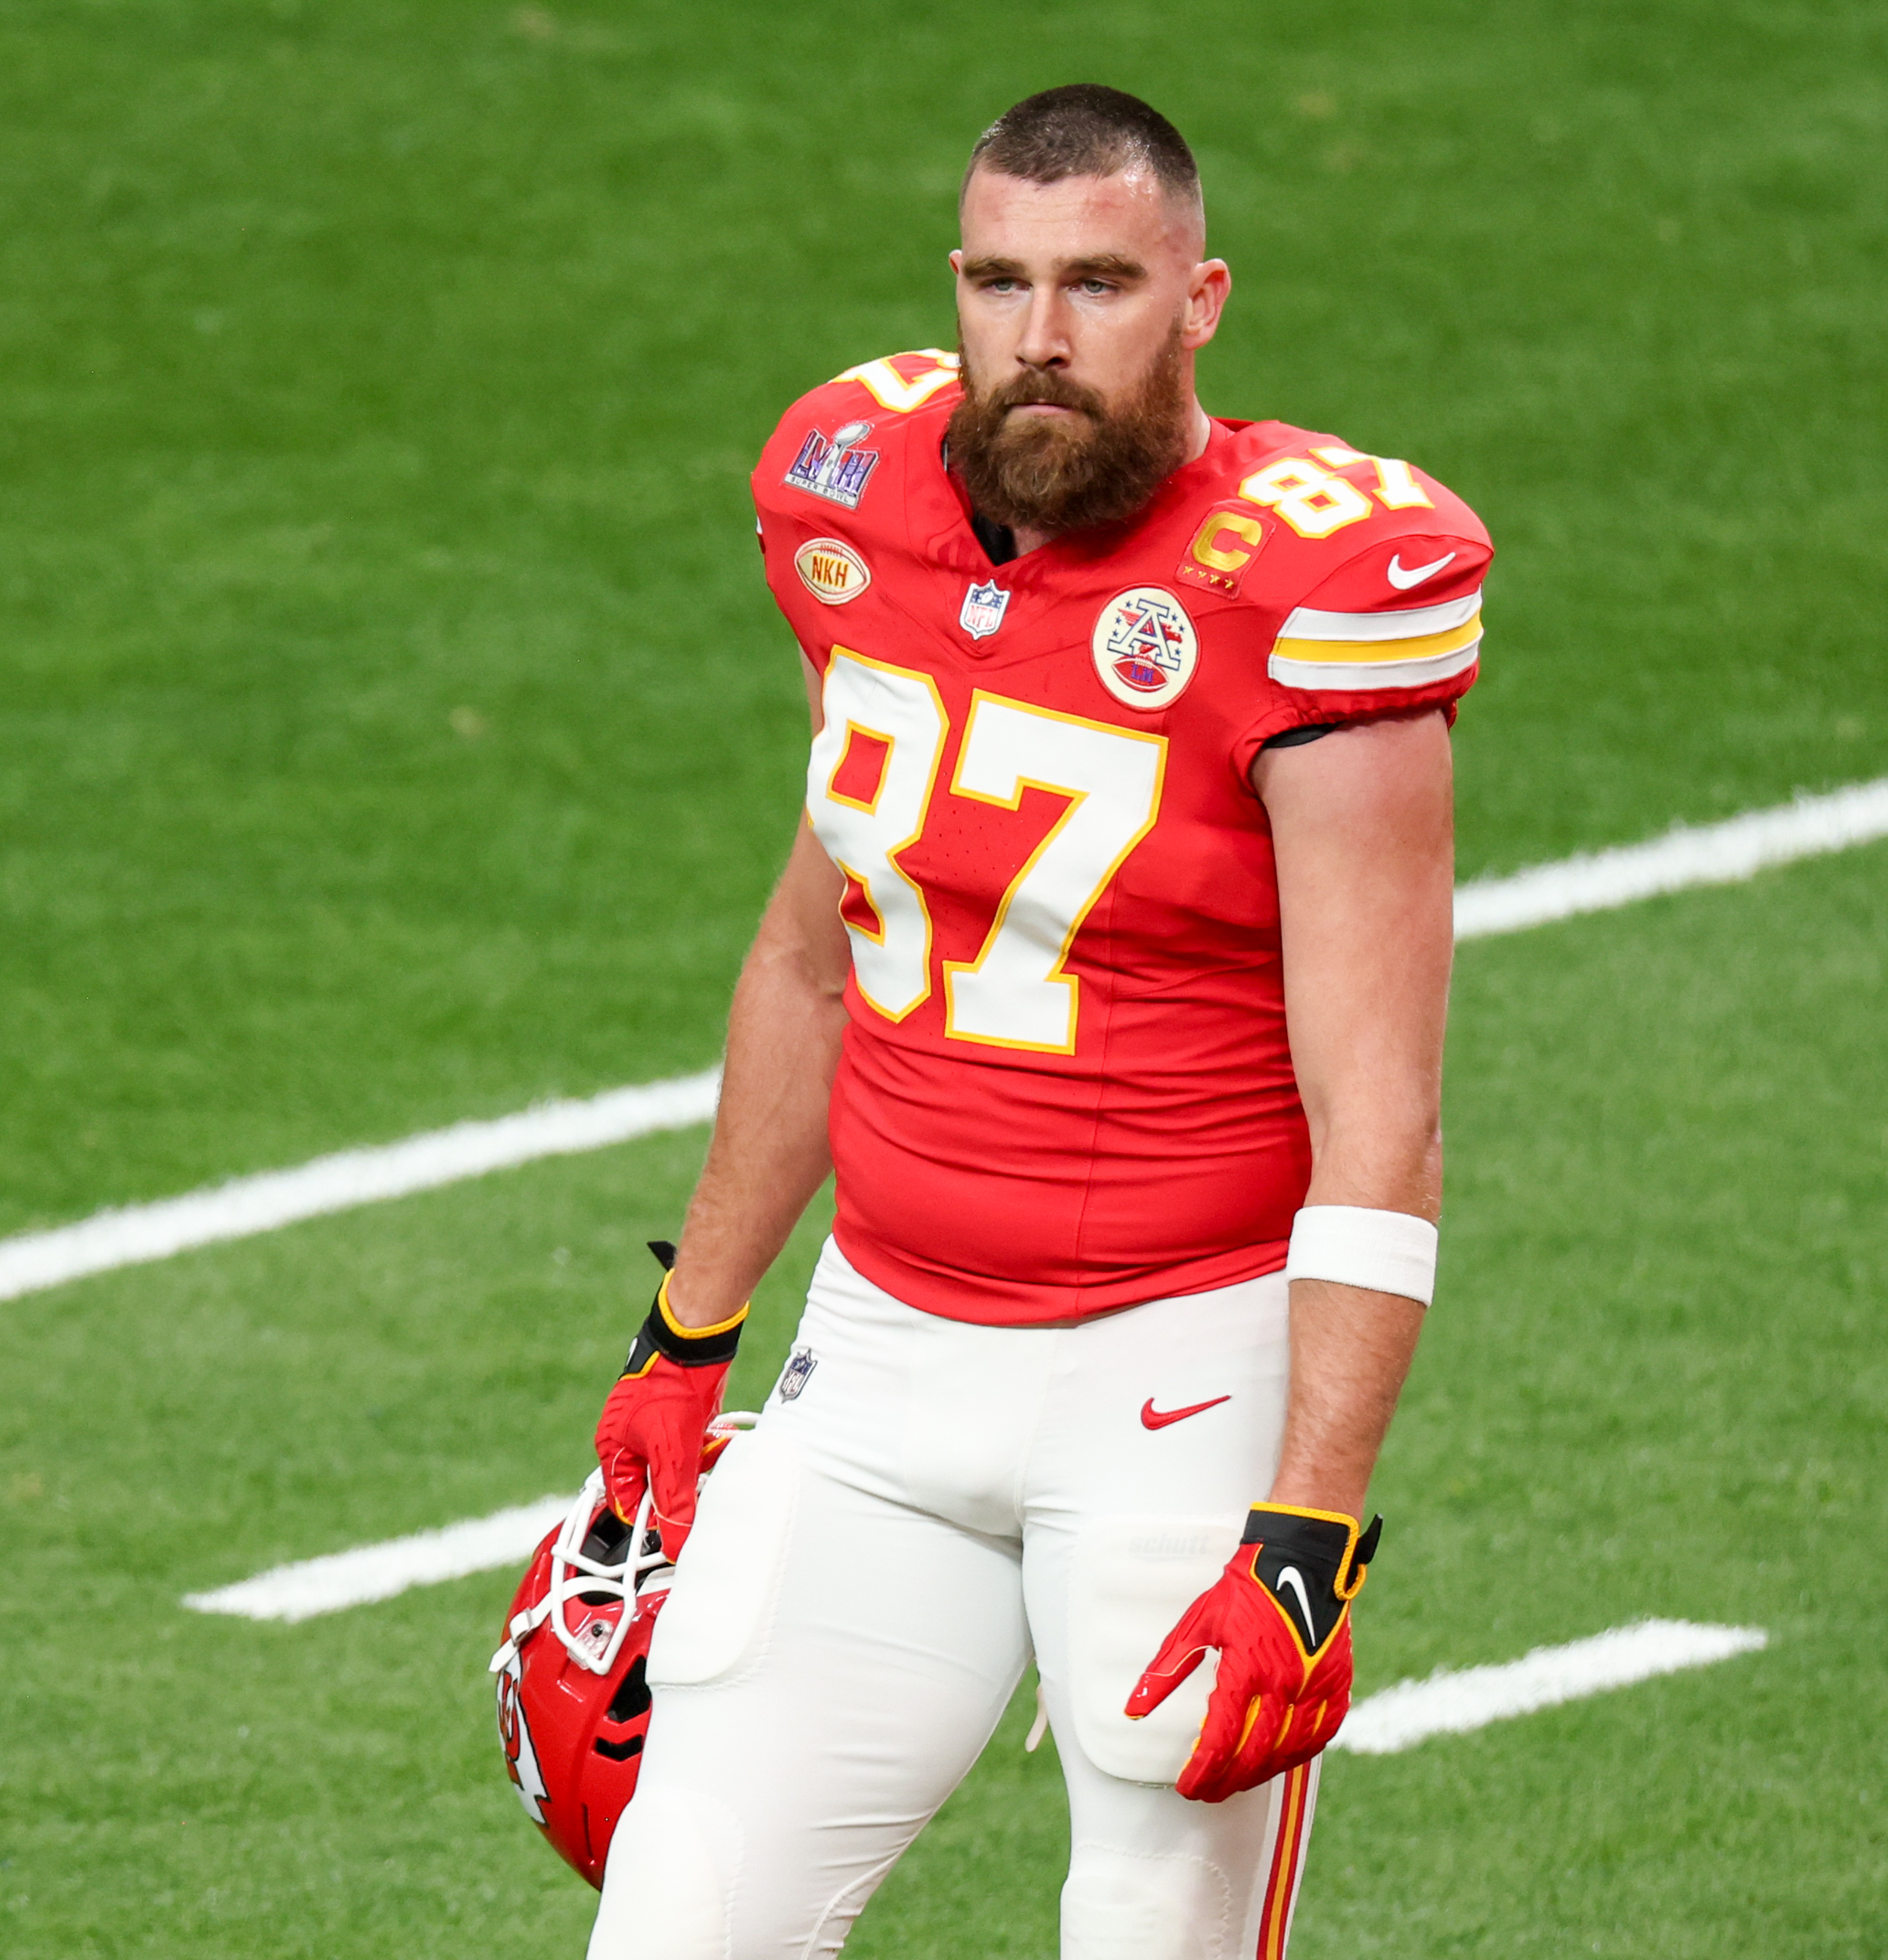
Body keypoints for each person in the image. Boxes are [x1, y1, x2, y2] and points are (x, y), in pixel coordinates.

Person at [584, 83, 1491, 1960]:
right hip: (882, 1361)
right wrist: (689, 1336)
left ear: (1203, 297)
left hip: (1179, 1381)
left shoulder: (1314, 591)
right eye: (1003, 281)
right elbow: (816, 950)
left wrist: (1309, 1532)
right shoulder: (849, 496)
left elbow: (1379, 1108)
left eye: (1100, 282)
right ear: (957, 289)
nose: (1045, 336)